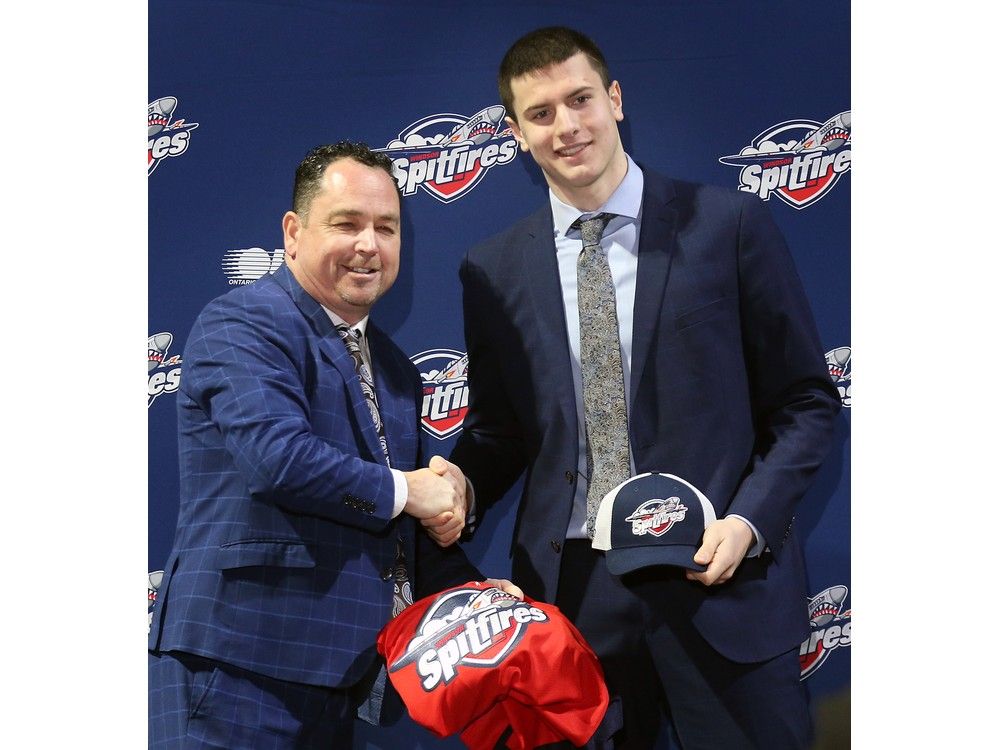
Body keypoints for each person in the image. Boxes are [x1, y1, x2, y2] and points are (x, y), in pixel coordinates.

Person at [450, 27, 841, 750]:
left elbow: (805, 404)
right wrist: (459, 486)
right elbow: (500, 431)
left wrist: (748, 522)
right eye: (541, 113)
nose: (567, 127)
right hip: (572, 598)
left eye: (580, 100)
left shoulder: (727, 225)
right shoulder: (493, 268)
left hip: (718, 574)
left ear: (616, 100)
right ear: (516, 133)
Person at [148, 141, 519, 749]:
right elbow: (277, 460)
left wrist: (475, 599)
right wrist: (410, 490)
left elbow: (399, 531)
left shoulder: (396, 372)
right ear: (293, 234)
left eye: (386, 228)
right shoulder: (243, 322)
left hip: (337, 687)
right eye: (347, 224)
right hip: (234, 671)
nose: (368, 245)